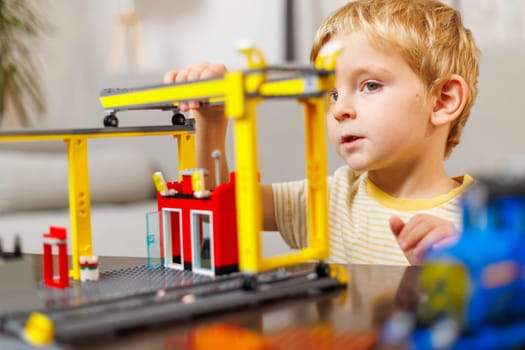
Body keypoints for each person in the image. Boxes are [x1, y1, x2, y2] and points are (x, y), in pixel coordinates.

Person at [163, 0, 480, 266]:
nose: (341, 109)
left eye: (369, 85)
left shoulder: (486, 218)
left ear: (443, 100)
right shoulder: (327, 199)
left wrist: (463, 262)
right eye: (331, 94)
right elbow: (220, 210)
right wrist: (211, 124)